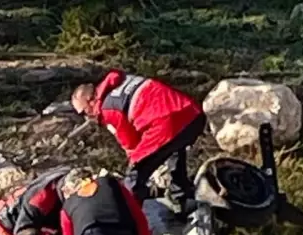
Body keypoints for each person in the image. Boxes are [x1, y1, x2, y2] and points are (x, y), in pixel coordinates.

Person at [71, 70, 207, 216]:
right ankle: (182, 200)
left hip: (166, 124)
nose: (86, 118)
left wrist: (135, 164)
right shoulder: (121, 84)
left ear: (91, 101)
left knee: (134, 177)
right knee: (174, 151)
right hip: (191, 114)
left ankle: (130, 221)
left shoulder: (108, 109)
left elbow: (130, 144)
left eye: (83, 112)